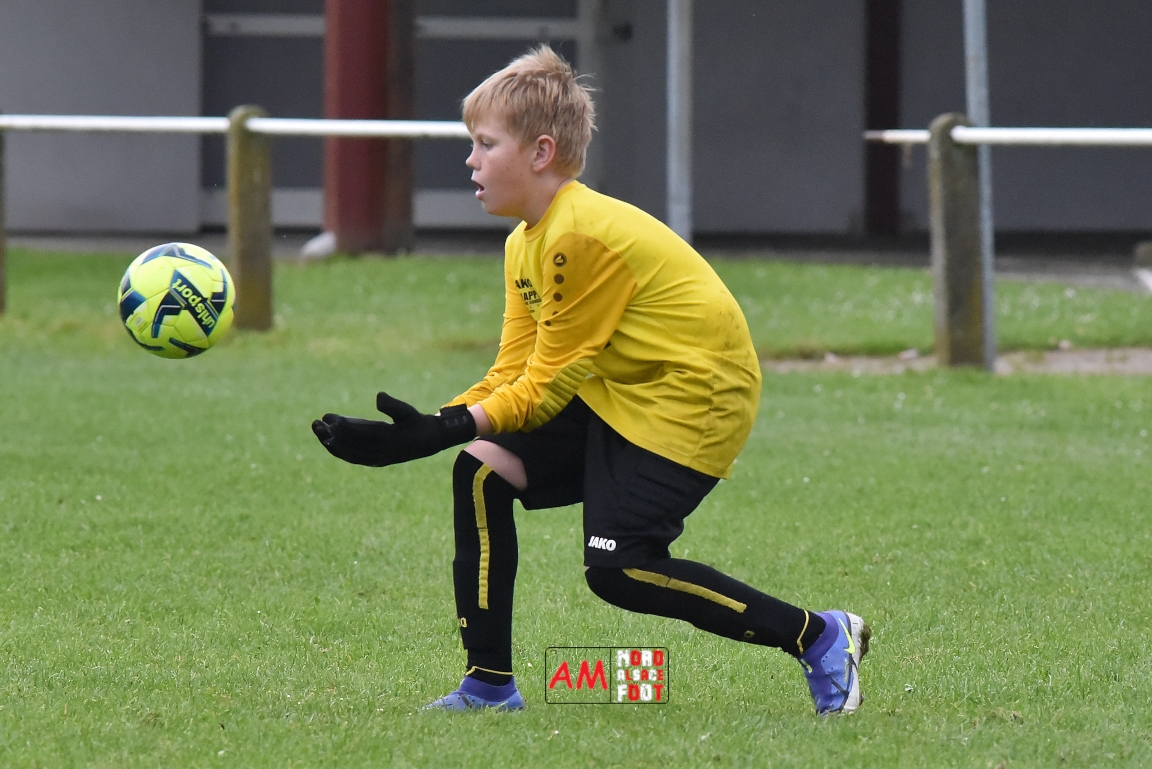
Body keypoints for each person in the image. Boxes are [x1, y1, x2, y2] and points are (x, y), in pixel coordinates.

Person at [311, 46, 869, 715]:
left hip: (693, 397)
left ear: (541, 152)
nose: (470, 161)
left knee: (620, 568)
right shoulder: (526, 240)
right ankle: (488, 684)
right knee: (482, 469)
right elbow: (512, 371)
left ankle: (818, 635)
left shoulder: (579, 237)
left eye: (485, 144)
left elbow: (544, 389)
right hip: (618, 389)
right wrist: (429, 425)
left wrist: (437, 430)